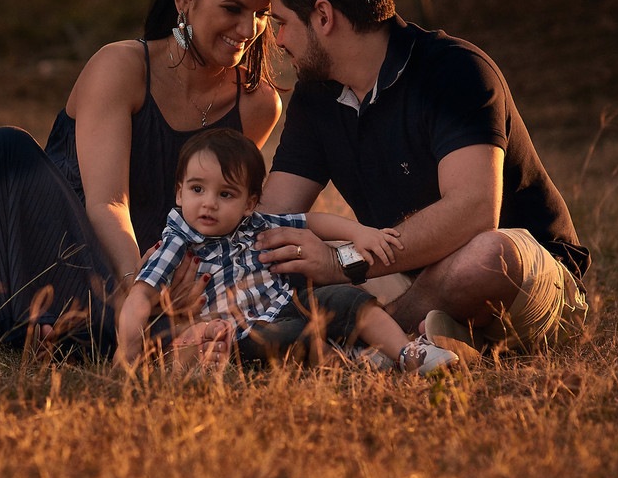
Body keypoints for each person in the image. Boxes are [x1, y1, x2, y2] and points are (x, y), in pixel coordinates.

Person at [0, 0, 282, 357]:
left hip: (156, 284)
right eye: (233, 9)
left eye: (261, 14)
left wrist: (185, 288)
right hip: (47, 261)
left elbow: (219, 211)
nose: (247, 28)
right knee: (2, 150)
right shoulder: (122, 67)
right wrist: (139, 293)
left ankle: (106, 338)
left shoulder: (257, 103)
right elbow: (107, 203)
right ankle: (123, 334)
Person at [254, 0, 590, 353]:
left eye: (282, 23)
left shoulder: (454, 71)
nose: (278, 40)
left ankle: (372, 338)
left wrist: (342, 263)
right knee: (293, 255)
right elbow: (271, 222)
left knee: (484, 258)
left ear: (323, 16)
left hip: (522, 279)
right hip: (408, 271)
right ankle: (436, 337)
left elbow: (473, 211)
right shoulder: (316, 95)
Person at [116, 128, 458, 374]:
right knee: (289, 338)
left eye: (225, 194)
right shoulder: (177, 241)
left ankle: (409, 353)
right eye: (197, 189)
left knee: (344, 297)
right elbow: (140, 298)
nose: (209, 203)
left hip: (288, 304)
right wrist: (126, 352)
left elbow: (312, 221)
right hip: (243, 332)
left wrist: (358, 232)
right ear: (179, 194)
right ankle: (352, 359)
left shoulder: (256, 224)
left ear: (249, 203)